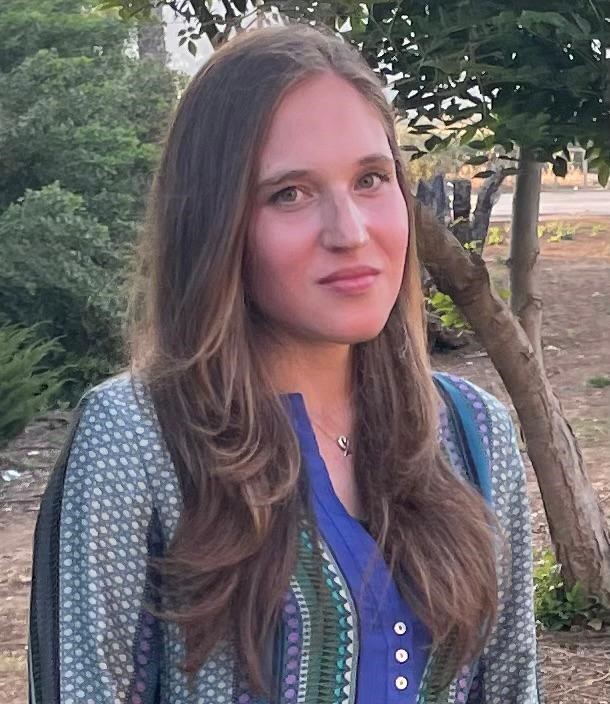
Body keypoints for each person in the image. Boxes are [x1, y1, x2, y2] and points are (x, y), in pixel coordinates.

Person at [28, 24, 542, 704]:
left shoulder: (474, 435)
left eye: (371, 179)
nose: (350, 232)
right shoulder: (136, 442)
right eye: (290, 194)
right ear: (216, 225)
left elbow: (510, 687)